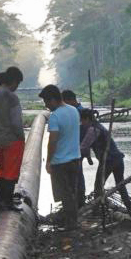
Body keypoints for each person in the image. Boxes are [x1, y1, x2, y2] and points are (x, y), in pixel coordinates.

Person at [39, 84, 81, 230]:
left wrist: (48, 161)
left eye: (46, 102)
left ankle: (71, 224)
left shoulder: (55, 116)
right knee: (71, 192)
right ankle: (71, 221)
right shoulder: (74, 110)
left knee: (65, 194)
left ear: (53, 100)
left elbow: (53, 141)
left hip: (60, 162)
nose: (46, 106)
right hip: (75, 159)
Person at [80, 109, 131, 216]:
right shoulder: (98, 127)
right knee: (121, 185)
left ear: (87, 119)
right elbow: (87, 147)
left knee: (98, 186)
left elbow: (84, 146)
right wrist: (89, 158)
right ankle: (130, 209)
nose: (82, 124)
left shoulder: (93, 130)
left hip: (108, 160)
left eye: (82, 121)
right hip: (118, 159)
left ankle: (97, 211)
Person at [0, 66, 25, 210]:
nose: (16, 87)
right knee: (11, 171)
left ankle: (0, 201)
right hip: (12, 139)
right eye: (17, 84)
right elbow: (16, 122)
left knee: (2, 169)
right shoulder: (11, 97)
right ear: (13, 81)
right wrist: (22, 138)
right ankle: (8, 203)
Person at [62, 89, 87, 208]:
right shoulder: (77, 111)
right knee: (77, 175)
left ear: (70, 100)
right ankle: (77, 202)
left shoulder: (79, 112)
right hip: (75, 148)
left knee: (76, 176)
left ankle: (78, 203)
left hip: (77, 148)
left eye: (65, 102)